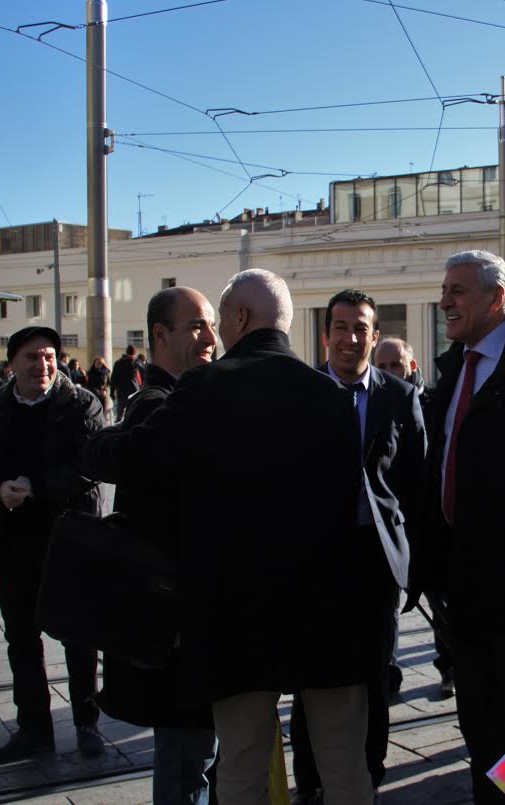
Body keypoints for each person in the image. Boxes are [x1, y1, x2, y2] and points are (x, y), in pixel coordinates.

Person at [83, 269, 374, 804]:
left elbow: (131, 460)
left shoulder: (207, 388)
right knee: (343, 762)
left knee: (240, 763)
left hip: (236, 615)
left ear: (240, 318)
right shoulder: (331, 396)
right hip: (326, 610)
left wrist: (93, 440)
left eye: (219, 322)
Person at [409, 250, 505, 804]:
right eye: (444, 289)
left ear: (497, 299)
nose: (445, 301)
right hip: (460, 592)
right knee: (482, 740)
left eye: (458, 291)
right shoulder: (453, 369)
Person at [290, 290, 427, 802]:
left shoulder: (399, 397)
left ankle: (369, 773)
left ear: (374, 334)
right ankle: (311, 780)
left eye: (361, 328)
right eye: (341, 327)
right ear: (326, 334)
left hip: (375, 563)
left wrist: (415, 564)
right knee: (312, 677)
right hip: (313, 564)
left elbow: (415, 483)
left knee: (374, 676)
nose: (351, 339)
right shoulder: (300, 393)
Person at [0, 326, 106, 764]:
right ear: (11, 364)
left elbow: (89, 462)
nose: (43, 365)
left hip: (69, 538)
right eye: (32, 357)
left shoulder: (81, 403)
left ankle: (87, 722)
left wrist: (35, 486)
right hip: (12, 540)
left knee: (79, 633)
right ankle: (34, 729)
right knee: (21, 637)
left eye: (49, 357)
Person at [94, 287, 220, 805]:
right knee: (186, 757)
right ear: (161, 335)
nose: (210, 337)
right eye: (196, 326)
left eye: (211, 324)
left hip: (186, 618)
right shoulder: (160, 406)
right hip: (175, 621)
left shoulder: (181, 399)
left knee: (198, 754)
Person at [373, 336, 452, 700]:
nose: (389, 372)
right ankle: (387, 671)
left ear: (413, 366)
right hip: (389, 522)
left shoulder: (435, 403)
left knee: (439, 599)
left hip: (426, 520)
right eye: (383, 365)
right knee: (386, 607)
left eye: (396, 364)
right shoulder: (374, 401)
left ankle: (449, 666)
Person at [110, 345, 141, 421]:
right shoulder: (135, 363)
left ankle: (118, 431)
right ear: (134, 354)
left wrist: (112, 391)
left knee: (119, 414)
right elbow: (143, 371)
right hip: (133, 391)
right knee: (133, 413)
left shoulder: (118, 363)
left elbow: (113, 378)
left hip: (121, 391)